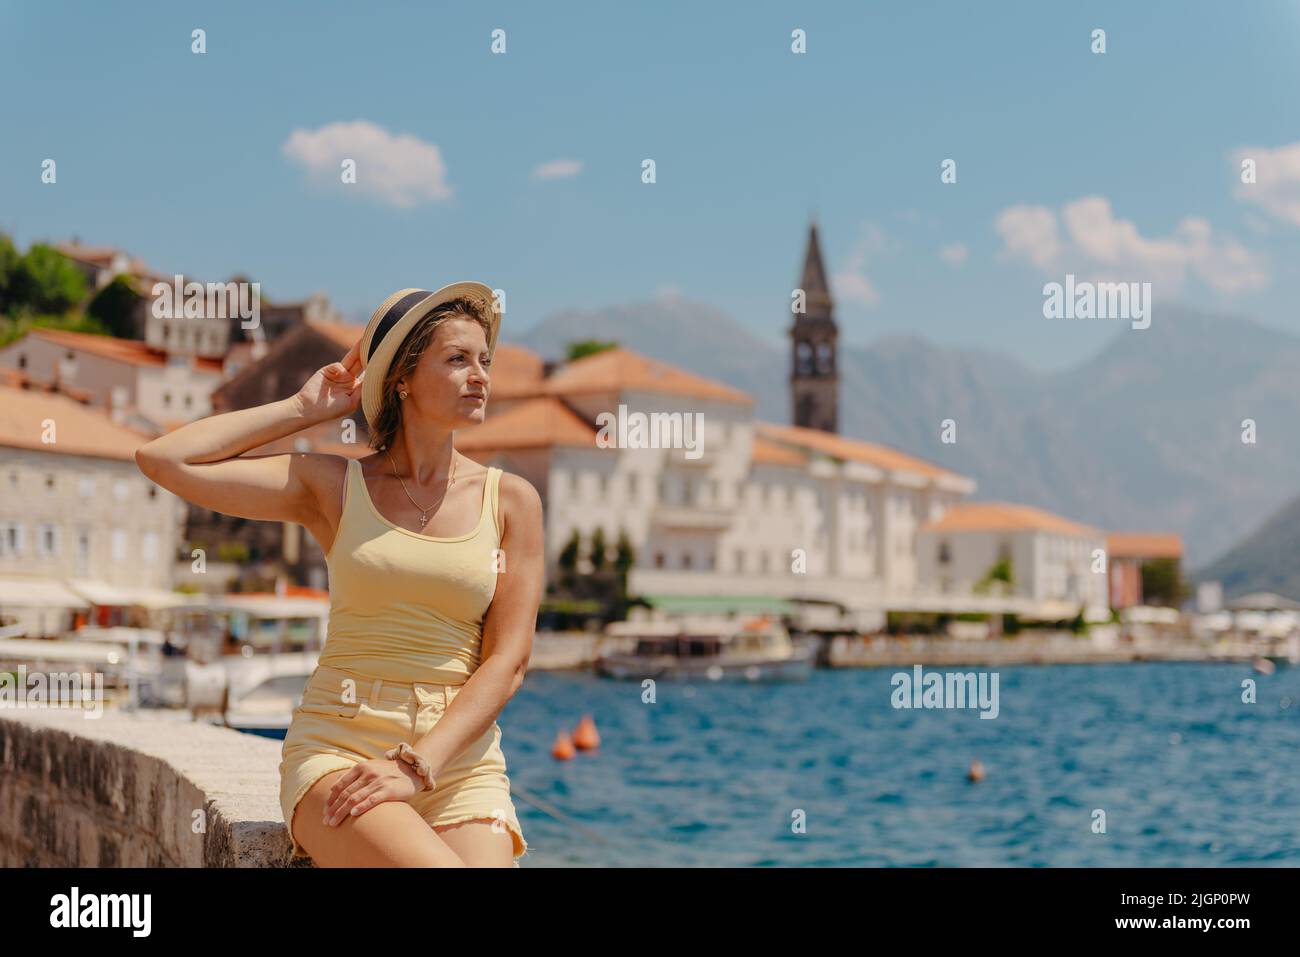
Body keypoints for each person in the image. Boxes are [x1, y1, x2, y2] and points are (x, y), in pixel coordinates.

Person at [135, 284, 544, 867]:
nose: (479, 375)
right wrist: (303, 411)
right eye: (457, 359)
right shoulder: (333, 486)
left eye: (485, 360)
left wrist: (418, 765)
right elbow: (164, 460)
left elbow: (509, 661)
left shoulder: (512, 502)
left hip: (458, 763)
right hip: (340, 748)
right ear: (401, 377)